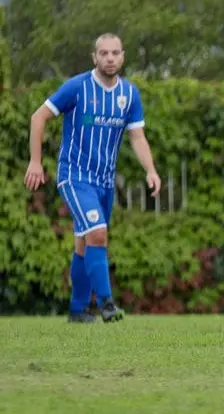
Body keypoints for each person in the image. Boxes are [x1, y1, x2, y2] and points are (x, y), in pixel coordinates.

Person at [25, 33, 161, 324]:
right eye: (103, 53)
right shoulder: (77, 87)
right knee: (98, 232)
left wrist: (150, 169)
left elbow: (137, 136)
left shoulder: (129, 94)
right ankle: (107, 303)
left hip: (104, 182)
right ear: (94, 57)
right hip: (74, 176)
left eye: (115, 53)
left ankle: (78, 310)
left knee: (85, 242)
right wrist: (36, 162)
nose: (109, 58)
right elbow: (39, 117)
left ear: (122, 56)